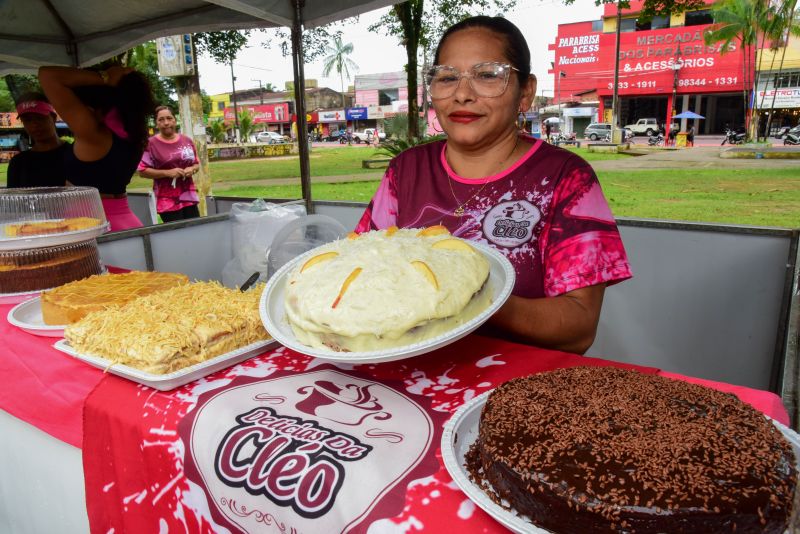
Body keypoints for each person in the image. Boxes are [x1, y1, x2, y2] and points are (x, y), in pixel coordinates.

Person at [355, 16, 631, 354]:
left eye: (487, 75)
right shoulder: (406, 170)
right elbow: (364, 270)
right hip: (407, 378)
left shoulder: (565, 177)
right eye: (447, 77)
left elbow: (579, 327)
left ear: (525, 92)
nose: (462, 94)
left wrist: (471, 295)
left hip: (512, 390)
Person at [38, 65, 156, 231]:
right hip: (125, 223)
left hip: (93, 228)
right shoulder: (133, 133)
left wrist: (105, 77)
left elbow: (47, 75)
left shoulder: (93, 133)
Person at [137, 106, 201, 222]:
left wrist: (191, 169)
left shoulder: (187, 141)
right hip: (167, 200)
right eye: (161, 120)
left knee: (195, 231)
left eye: (169, 118)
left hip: (188, 196)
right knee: (175, 236)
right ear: (156, 123)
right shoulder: (150, 144)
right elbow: (142, 171)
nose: (166, 123)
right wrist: (168, 173)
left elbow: (196, 164)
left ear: (174, 120)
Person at [6, 93, 70, 188]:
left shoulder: (75, 155)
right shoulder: (18, 163)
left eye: (40, 118)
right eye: (27, 120)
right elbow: (14, 200)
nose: (34, 125)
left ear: (53, 118)